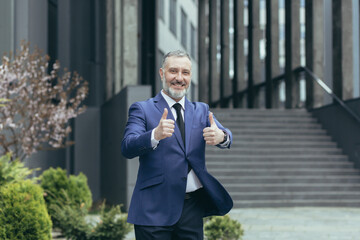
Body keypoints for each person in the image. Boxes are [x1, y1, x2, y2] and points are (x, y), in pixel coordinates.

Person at [121, 50, 233, 239]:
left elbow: (226, 134)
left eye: (185, 72)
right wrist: (154, 135)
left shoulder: (201, 110)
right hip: (152, 210)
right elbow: (128, 146)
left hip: (191, 209)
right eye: (173, 71)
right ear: (162, 73)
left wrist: (221, 136)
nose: (179, 78)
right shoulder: (142, 109)